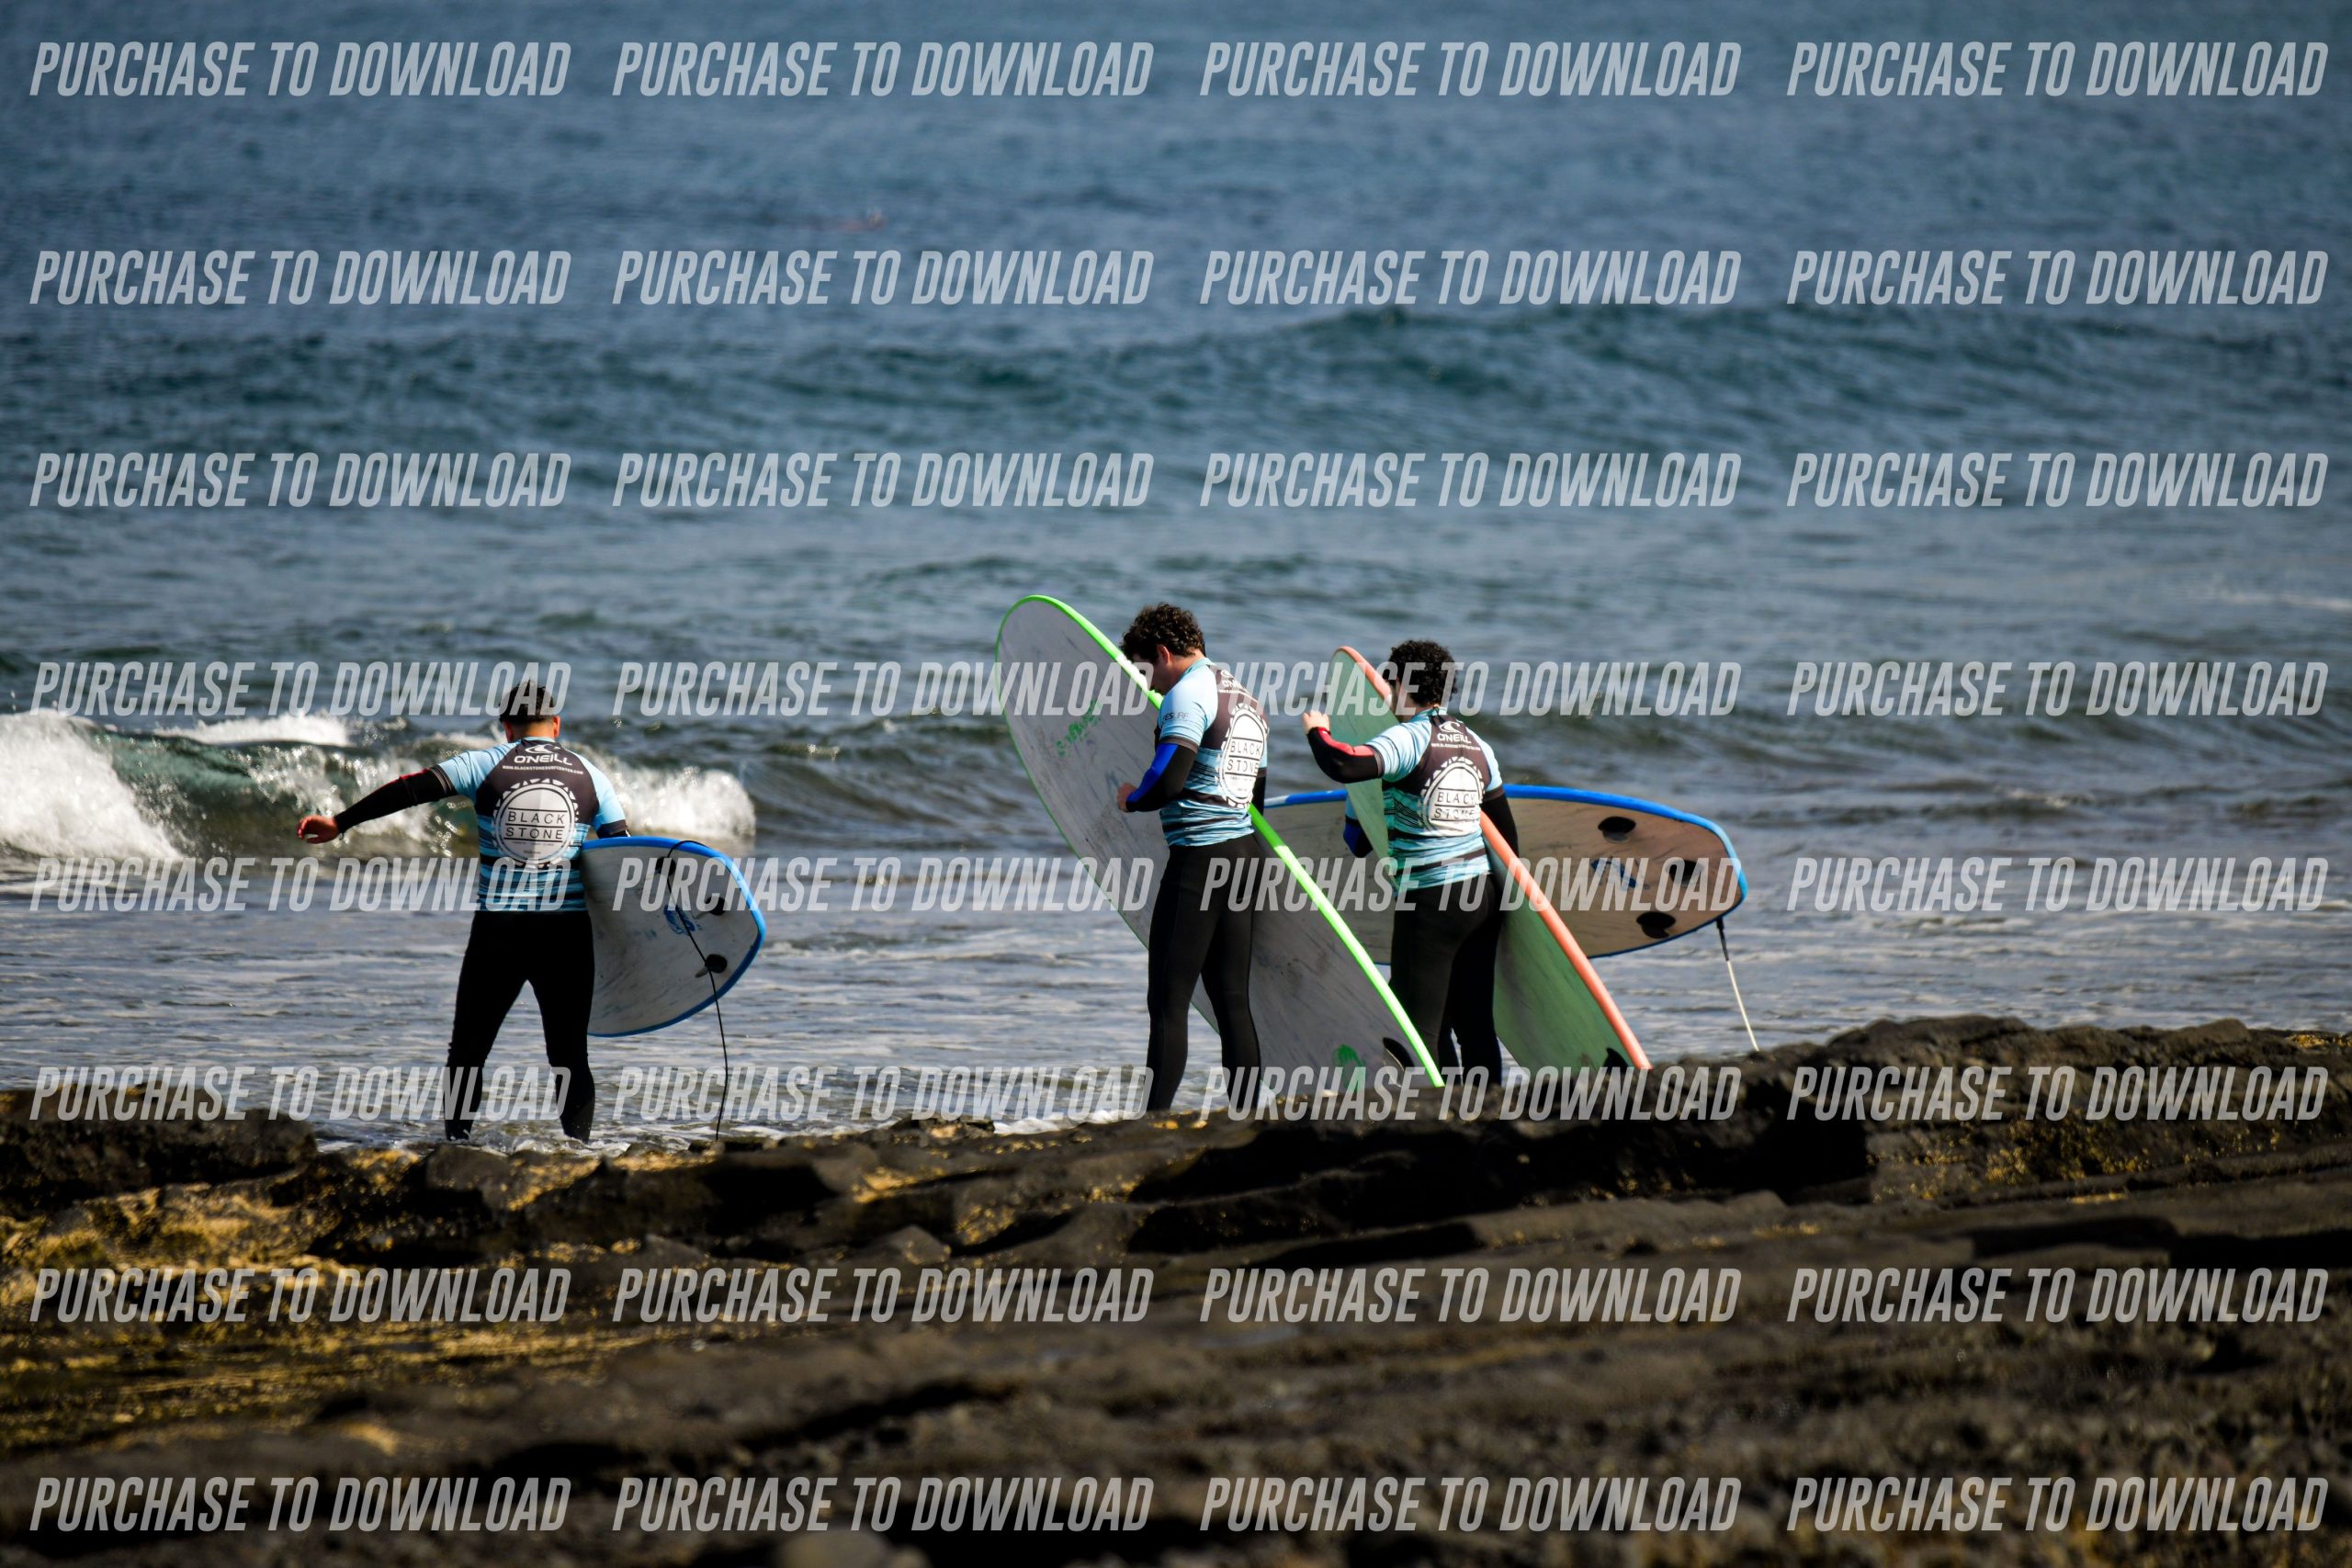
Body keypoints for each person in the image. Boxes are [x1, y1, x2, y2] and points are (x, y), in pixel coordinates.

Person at [296, 681, 628, 1140]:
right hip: (565, 934)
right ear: (555, 724)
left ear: (506, 726)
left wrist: (340, 822)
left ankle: (457, 1146)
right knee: (569, 1055)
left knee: (469, 1050)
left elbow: (408, 790)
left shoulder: (483, 764)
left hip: (499, 931)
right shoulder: (592, 776)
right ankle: (579, 1154)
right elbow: (622, 859)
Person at [1302, 640, 1514, 1081]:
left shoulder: (1407, 738)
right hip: (1482, 896)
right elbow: (1506, 838)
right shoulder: (1477, 744)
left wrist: (1317, 732)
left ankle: (1435, 1112)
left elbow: (1343, 765)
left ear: (1400, 682)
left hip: (1431, 900)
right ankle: (1487, 1110)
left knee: (1418, 1027)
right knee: (1474, 1021)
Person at [1113, 604, 1269, 1111]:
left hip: (1199, 860)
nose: (1151, 687)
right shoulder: (1248, 701)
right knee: (1232, 999)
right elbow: (1256, 797)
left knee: (1168, 999)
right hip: (1244, 854)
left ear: (1162, 653)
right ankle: (1246, 1115)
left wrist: (1131, 799)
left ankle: (1152, 1120)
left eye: (1146, 671)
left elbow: (1168, 778)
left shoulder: (1185, 694)